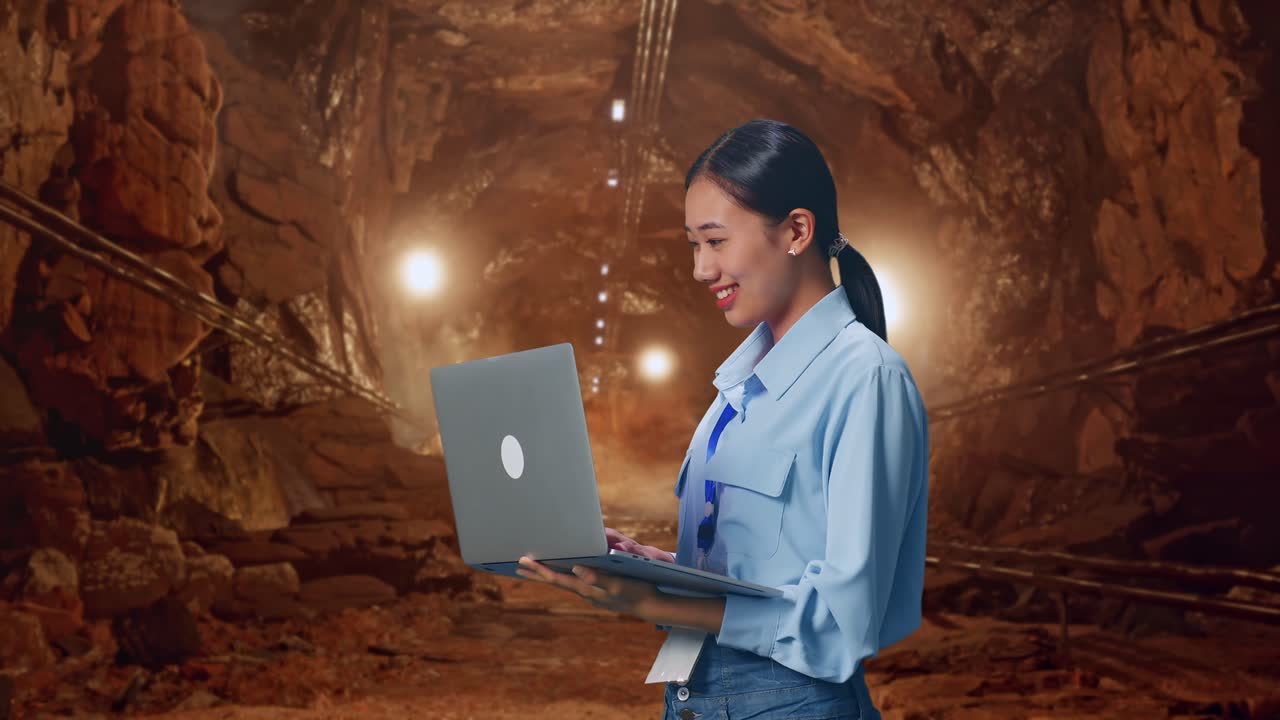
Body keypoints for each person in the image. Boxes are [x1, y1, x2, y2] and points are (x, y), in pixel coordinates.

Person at [517, 119, 929, 720]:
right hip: (694, 696)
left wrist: (649, 604)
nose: (701, 270)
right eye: (694, 244)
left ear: (796, 230)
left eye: (715, 241)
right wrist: (653, 568)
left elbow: (843, 622)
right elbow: (758, 571)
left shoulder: (865, 379)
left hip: (793, 704)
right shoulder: (735, 388)